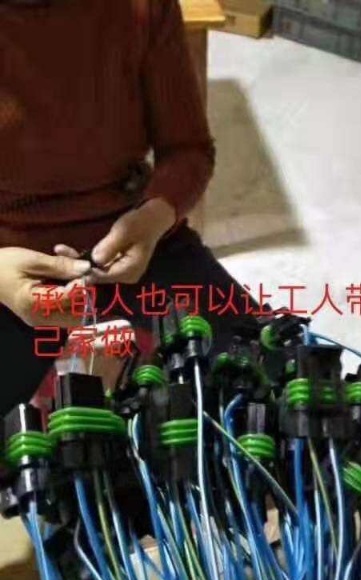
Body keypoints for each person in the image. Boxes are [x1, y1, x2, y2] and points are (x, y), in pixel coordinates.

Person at [0, 0, 259, 417]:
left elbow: (187, 150)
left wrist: (156, 216)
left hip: (134, 241)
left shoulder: (140, 9)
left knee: (267, 387)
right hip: (7, 265)